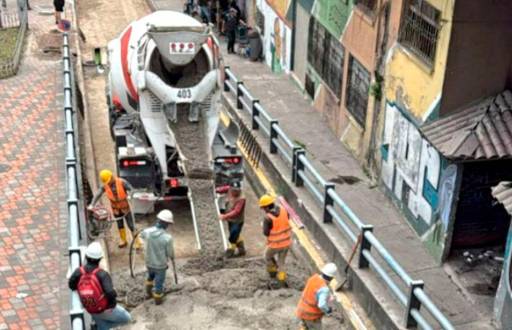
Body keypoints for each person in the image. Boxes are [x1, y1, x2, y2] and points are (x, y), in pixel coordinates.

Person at [69, 242, 132, 330]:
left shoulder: (79, 271)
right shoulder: (102, 274)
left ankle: (99, 327)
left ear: (86, 257)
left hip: (90, 308)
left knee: (102, 326)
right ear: (100, 259)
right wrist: (111, 306)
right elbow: (110, 292)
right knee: (127, 318)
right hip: (103, 308)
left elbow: (71, 285)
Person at [89, 169, 142, 250]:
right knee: (120, 225)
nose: (108, 183)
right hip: (116, 210)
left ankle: (137, 241)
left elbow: (131, 190)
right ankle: (123, 240)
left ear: (111, 177)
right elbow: (98, 194)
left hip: (125, 208)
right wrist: (92, 204)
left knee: (131, 225)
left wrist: (130, 195)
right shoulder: (105, 186)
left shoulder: (122, 182)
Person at [140, 209, 175, 305]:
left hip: (149, 263)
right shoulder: (167, 238)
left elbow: (141, 235)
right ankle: (158, 300)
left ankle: (148, 292)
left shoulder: (147, 232)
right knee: (159, 283)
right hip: (160, 266)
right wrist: (172, 257)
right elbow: (170, 253)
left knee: (150, 276)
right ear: (166, 224)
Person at [259, 194, 292, 288]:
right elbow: (286, 219)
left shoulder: (268, 218)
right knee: (281, 262)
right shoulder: (284, 210)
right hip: (286, 242)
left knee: (267, 256)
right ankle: (281, 282)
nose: (263, 210)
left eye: (263, 208)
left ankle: (273, 273)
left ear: (266, 207)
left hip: (275, 245)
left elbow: (266, 233)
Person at [296, 263, 338, 330]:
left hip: (301, 309)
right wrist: (328, 310)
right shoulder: (324, 289)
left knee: (304, 326)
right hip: (311, 315)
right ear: (332, 278)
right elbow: (321, 305)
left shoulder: (313, 278)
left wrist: (328, 297)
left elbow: (313, 293)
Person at [218, 181, 246, 258]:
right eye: (233, 190)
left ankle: (230, 251)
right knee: (235, 234)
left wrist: (224, 216)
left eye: (237, 191)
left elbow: (236, 211)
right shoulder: (229, 189)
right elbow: (223, 189)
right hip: (230, 220)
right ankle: (242, 249)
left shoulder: (241, 198)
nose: (234, 192)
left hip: (237, 221)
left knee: (233, 235)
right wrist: (215, 190)